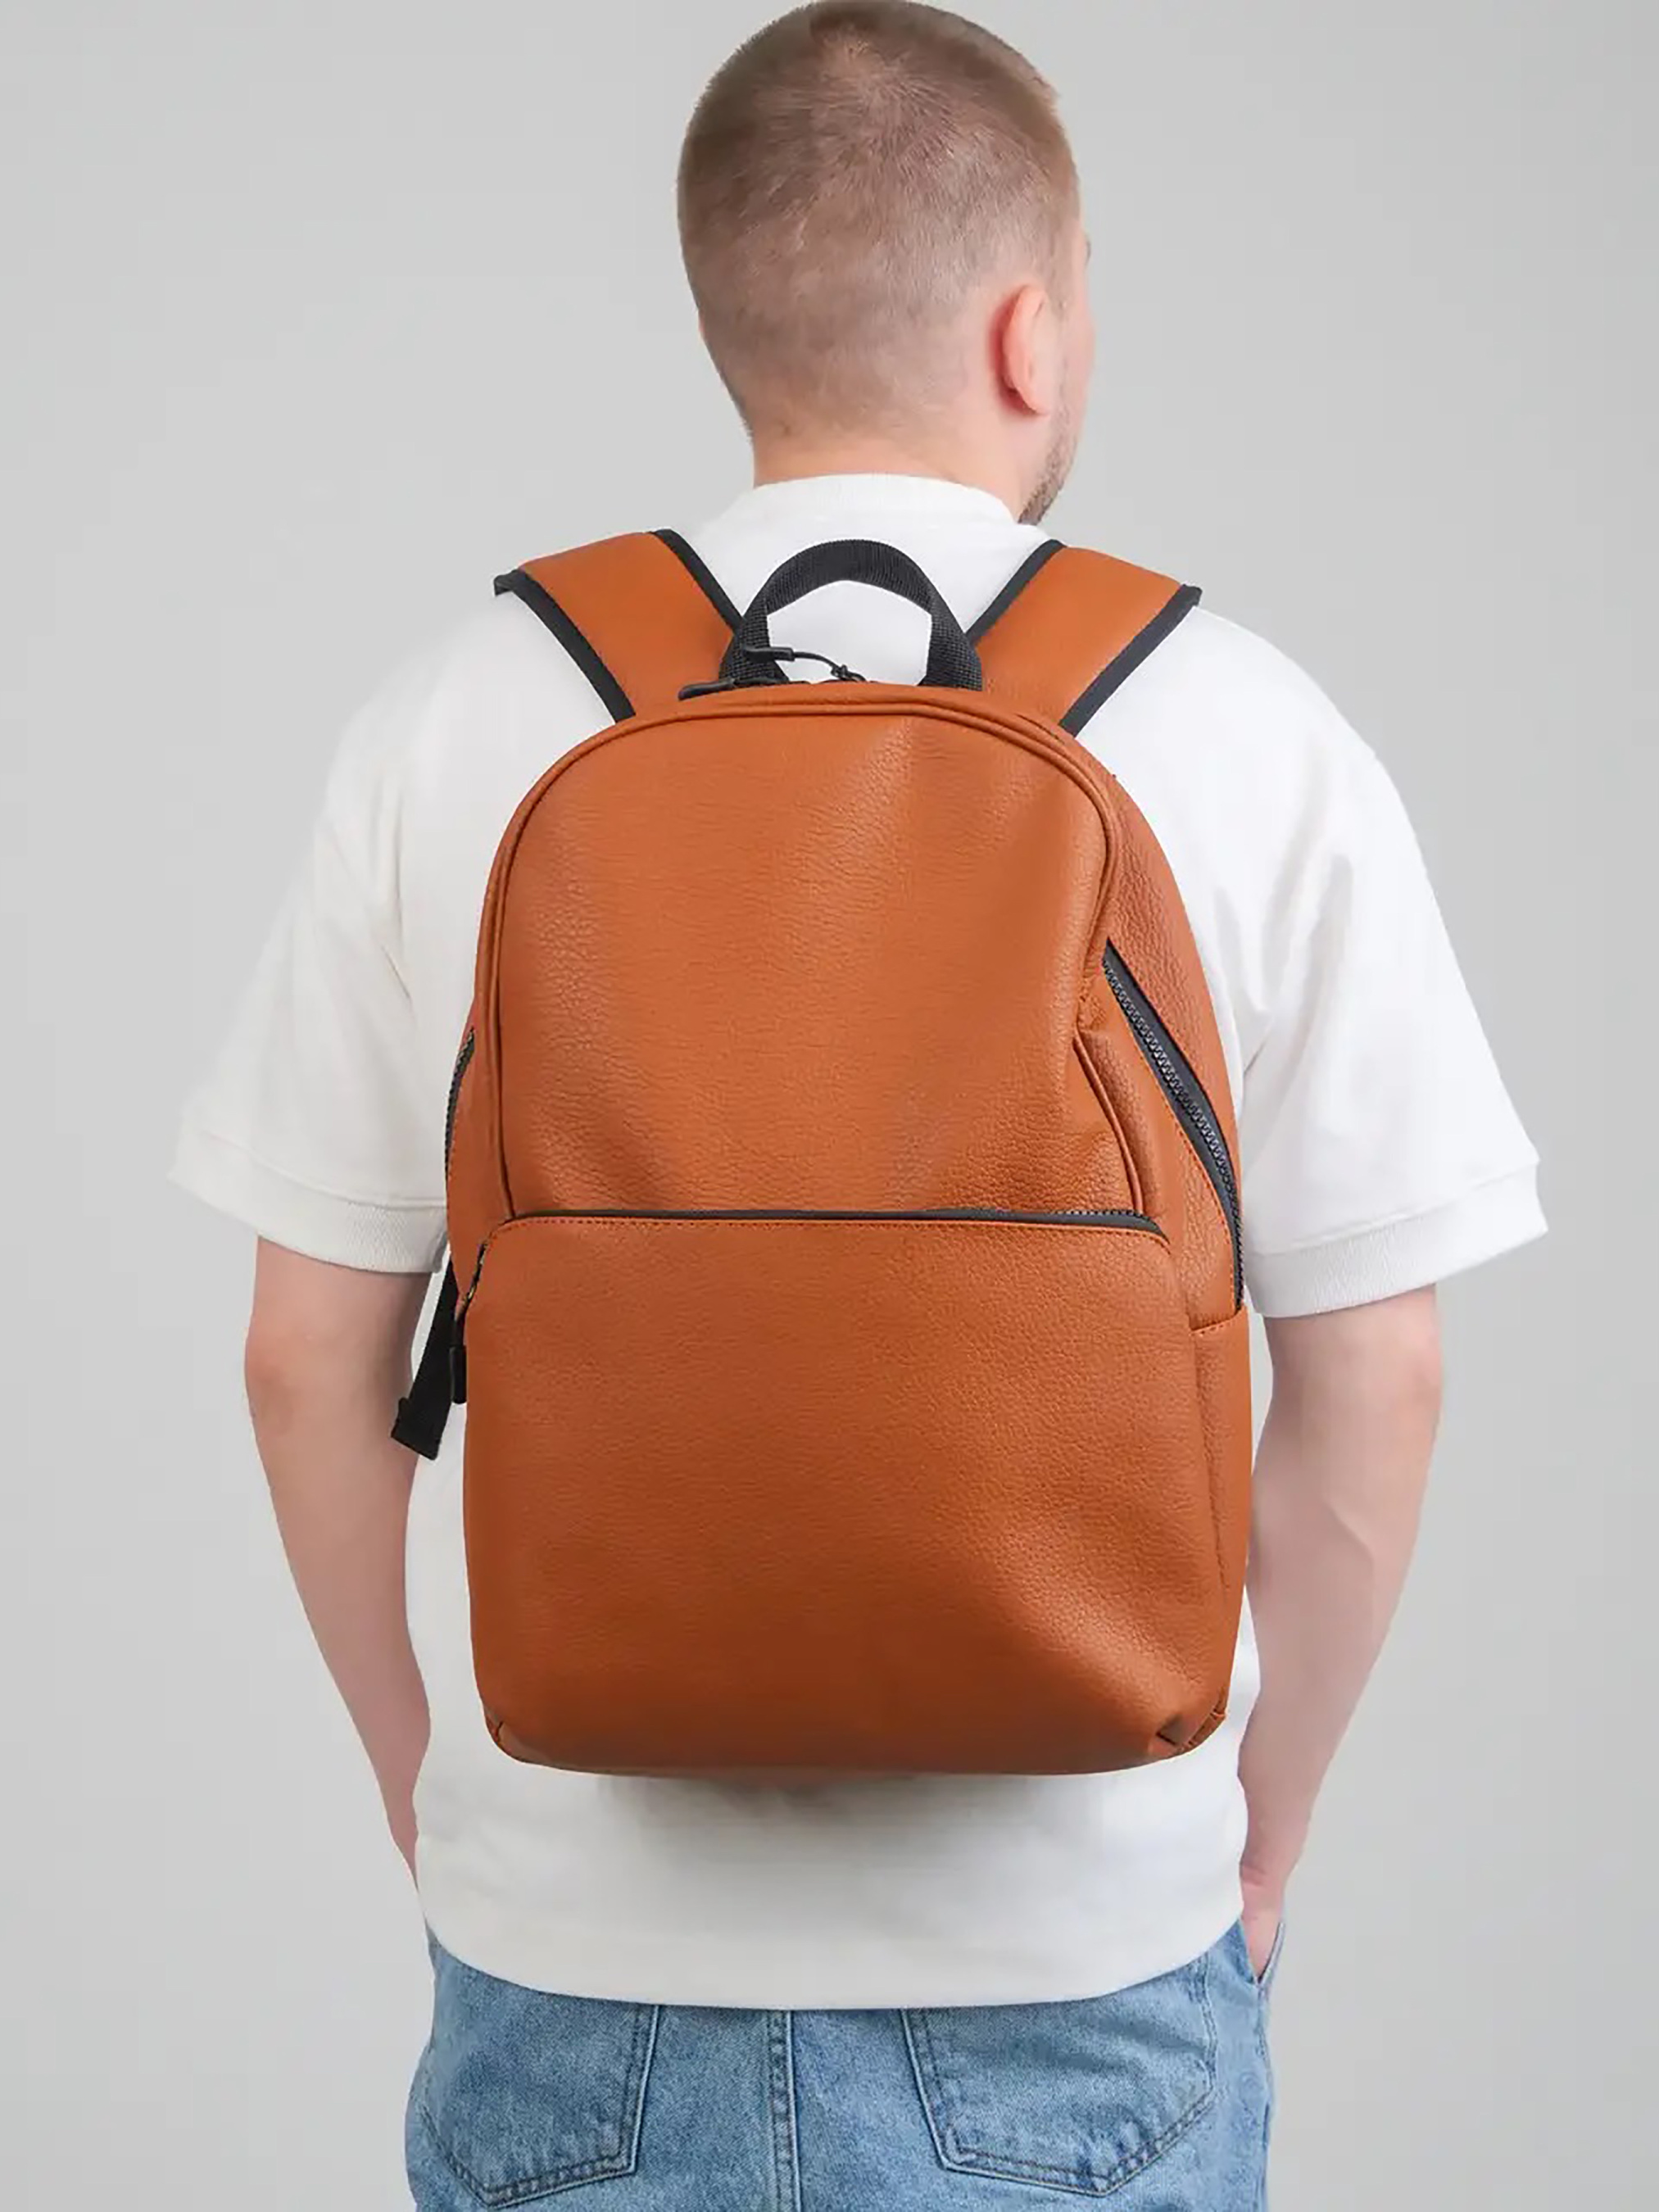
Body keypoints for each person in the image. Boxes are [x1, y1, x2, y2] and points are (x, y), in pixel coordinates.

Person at [171, 5, 1546, 2205]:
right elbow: (1379, 1371)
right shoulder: (1250, 729)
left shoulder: (451, 721)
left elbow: (298, 1358)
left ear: (728, 311)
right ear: (1030, 330)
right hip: (1079, 1971)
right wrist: (1255, 1826)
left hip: (573, 1975)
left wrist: (440, 1803)